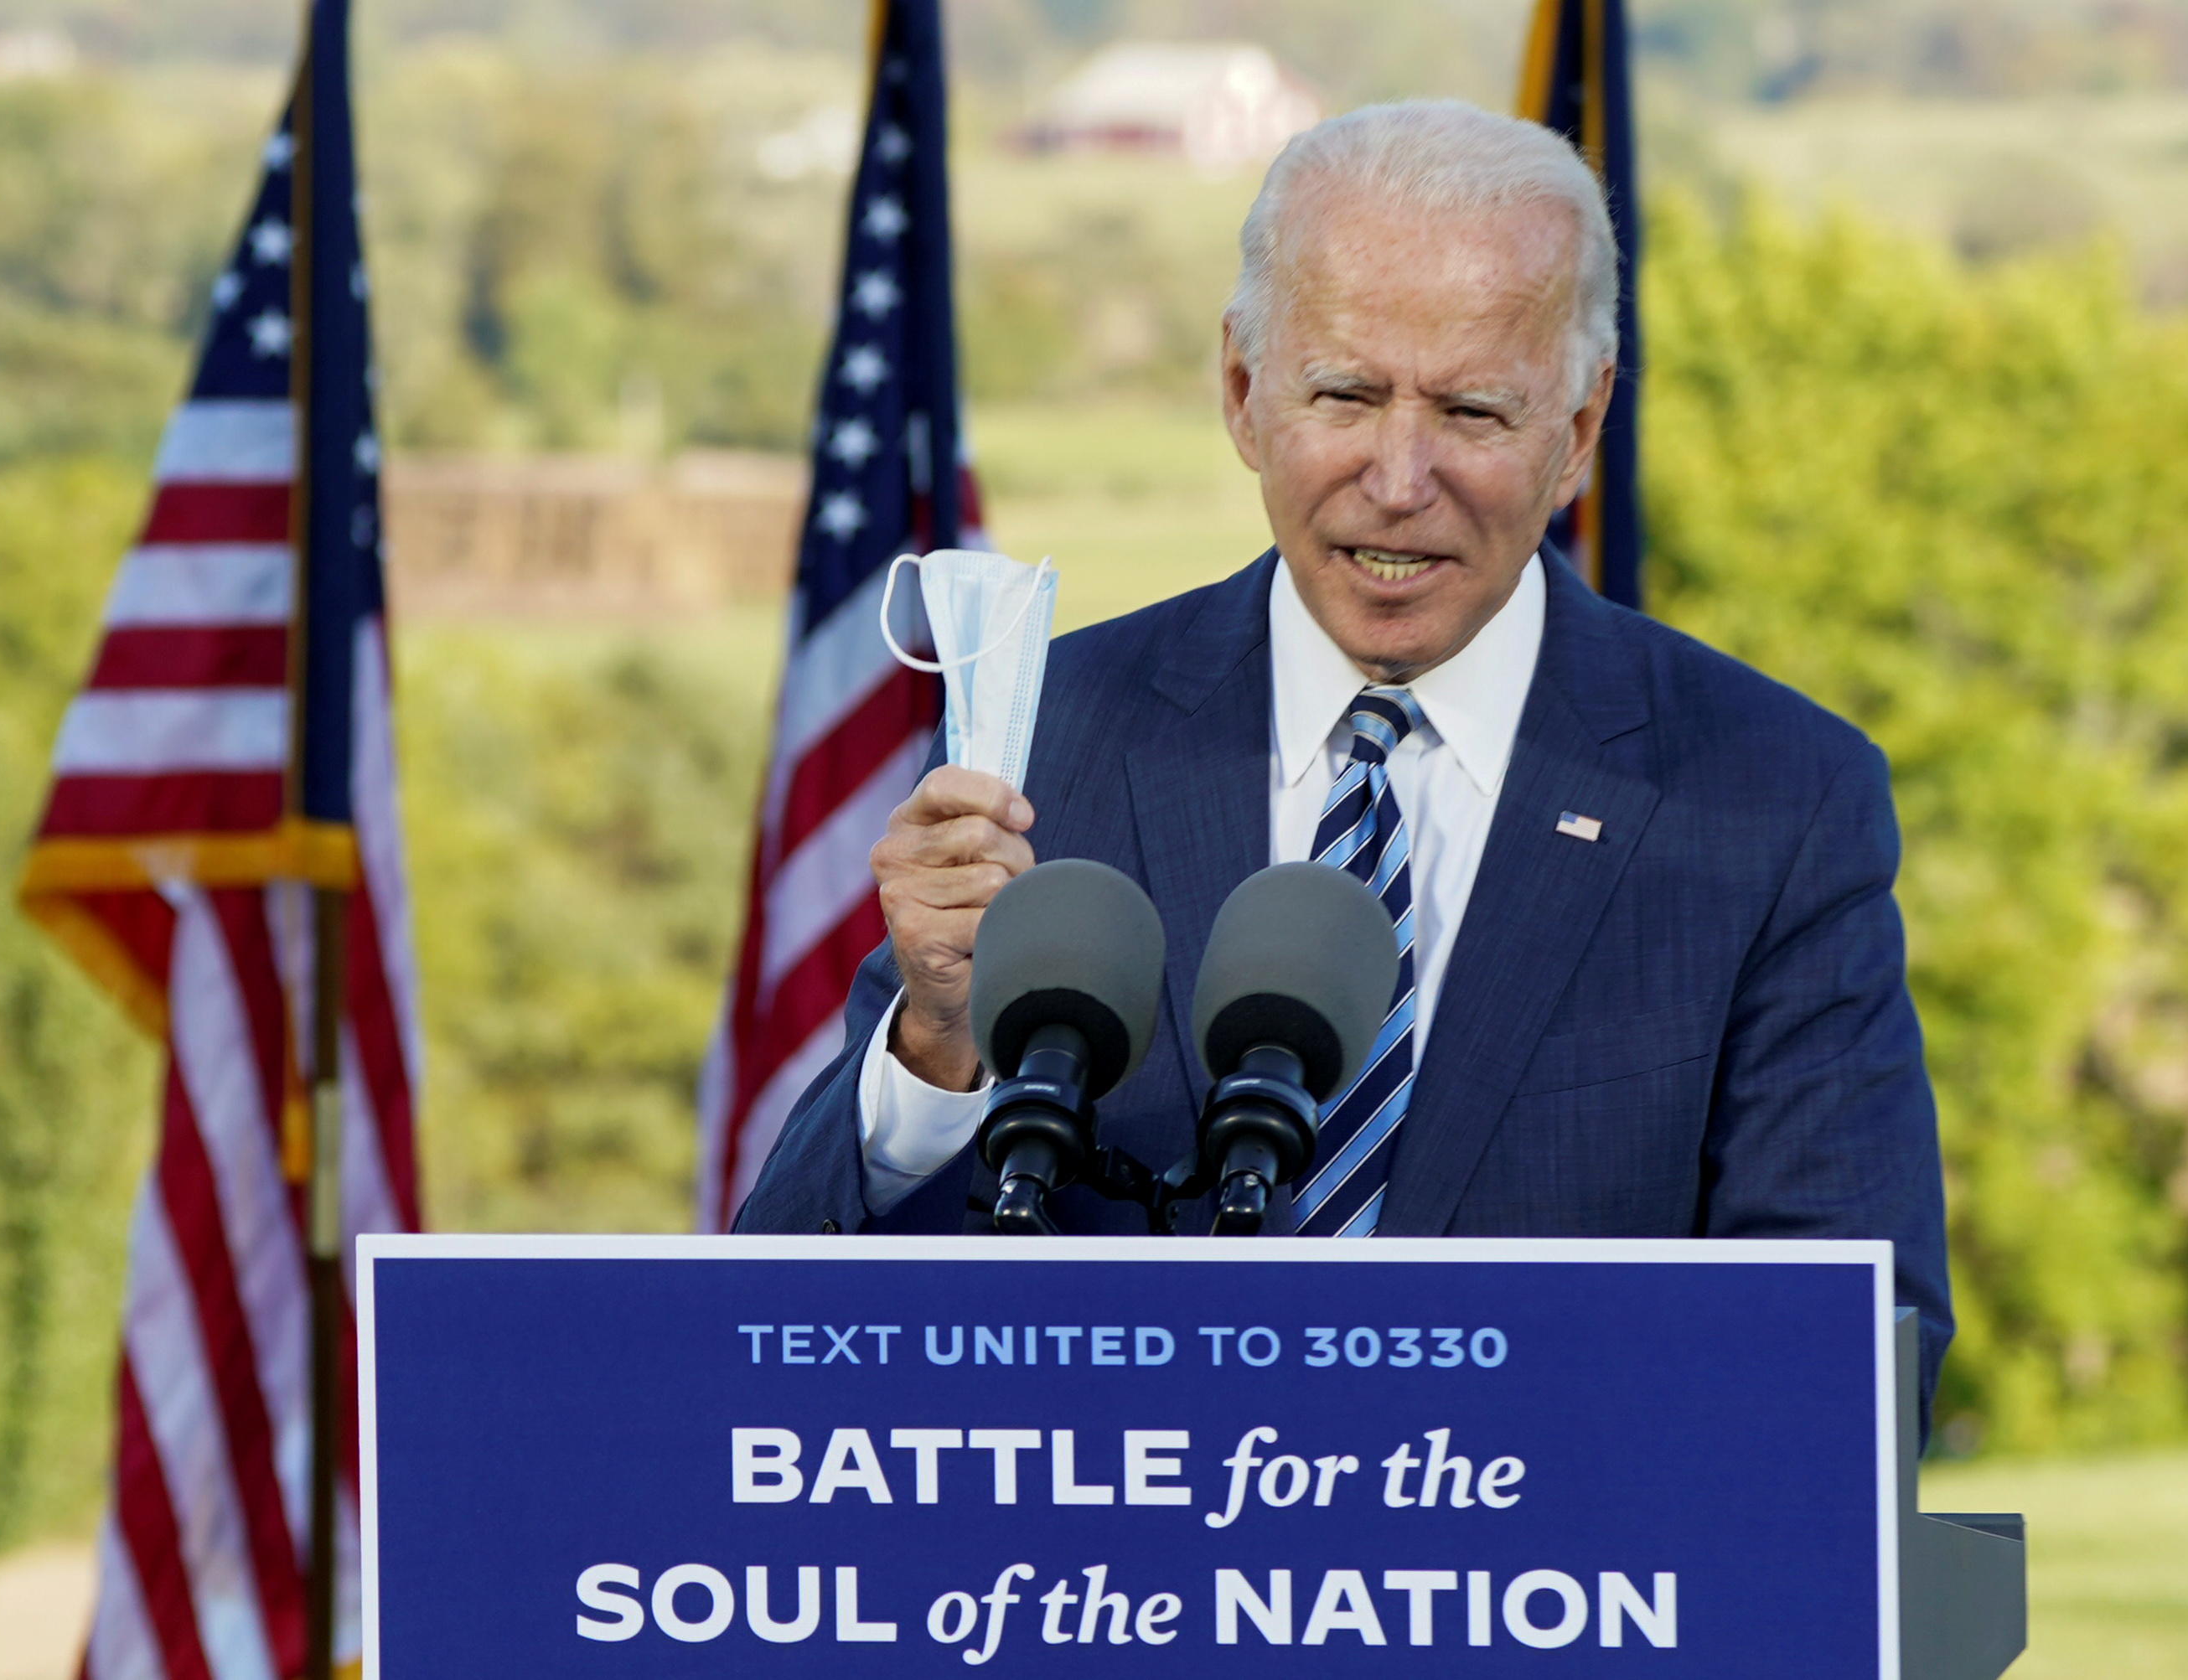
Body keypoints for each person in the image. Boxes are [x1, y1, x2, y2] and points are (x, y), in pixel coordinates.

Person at [737, 99, 1953, 1398]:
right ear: (1246, 394)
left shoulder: (1769, 798)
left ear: (1580, 432)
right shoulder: (1051, 736)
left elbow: (1849, 1356)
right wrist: (935, 1042)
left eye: (1475, 412)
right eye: (1347, 395)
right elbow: (794, 1325)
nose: (1399, 476)